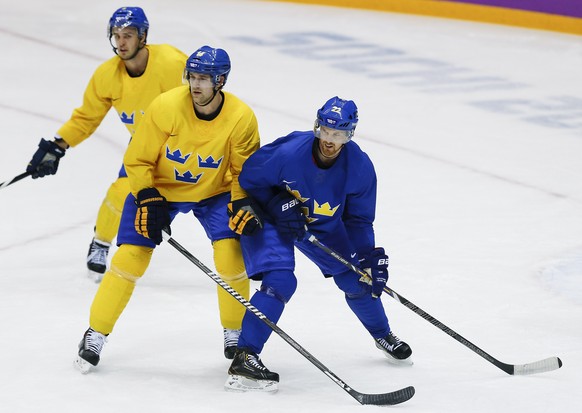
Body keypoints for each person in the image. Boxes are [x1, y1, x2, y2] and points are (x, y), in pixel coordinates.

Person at [74, 45, 260, 373]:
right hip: (156, 190)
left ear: (221, 81)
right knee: (129, 258)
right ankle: (95, 333)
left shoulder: (241, 117)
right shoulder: (166, 106)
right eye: (192, 76)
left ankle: (235, 331)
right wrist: (146, 195)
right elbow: (138, 158)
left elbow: (243, 172)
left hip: (212, 193)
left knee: (231, 254)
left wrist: (242, 200)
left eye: (204, 78)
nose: (195, 84)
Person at [224, 96, 412, 392]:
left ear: (350, 135)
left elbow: (359, 221)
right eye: (325, 130)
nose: (329, 139)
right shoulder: (288, 152)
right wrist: (277, 201)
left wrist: (365, 257)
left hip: (321, 226)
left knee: (357, 280)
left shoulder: (360, 167)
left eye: (338, 134)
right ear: (317, 126)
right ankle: (245, 357)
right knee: (280, 281)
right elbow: (249, 178)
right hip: (271, 220)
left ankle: (382, 334)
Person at [25, 7, 187, 282]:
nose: (121, 42)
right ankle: (100, 243)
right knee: (120, 192)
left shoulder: (172, 63)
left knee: (213, 197)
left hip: (184, 147)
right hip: (143, 149)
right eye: (117, 35)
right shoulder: (106, 75)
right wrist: (58, 146)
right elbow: (87, 117)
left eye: (128, 35)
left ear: (143, 36)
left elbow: (197, 101)